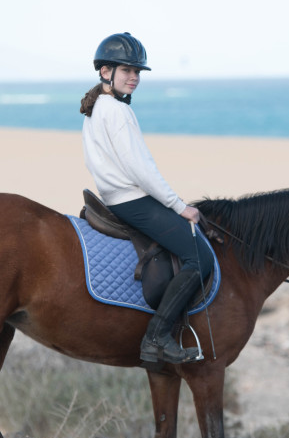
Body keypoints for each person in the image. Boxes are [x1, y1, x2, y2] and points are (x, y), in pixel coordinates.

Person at [80, 32, 213, 365]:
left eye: (138, 72)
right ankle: (157, 337)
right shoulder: (118, 112)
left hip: (114, 198)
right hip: (133, 201)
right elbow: (142, 170)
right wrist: (179, 205)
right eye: (127, 70)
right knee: (201, 258)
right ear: (105, 71)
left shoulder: (96, 107)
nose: (134, 78)